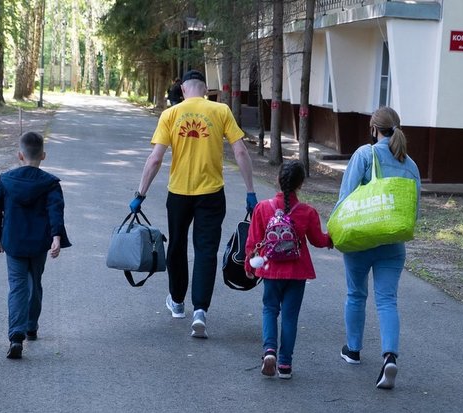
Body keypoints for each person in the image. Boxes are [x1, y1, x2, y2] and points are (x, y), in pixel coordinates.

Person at [129, 69, 257, 339]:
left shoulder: (171, 114)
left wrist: (140, 194)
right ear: (205, 89)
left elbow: (155, 159)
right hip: (212, 194)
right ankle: (200, 312)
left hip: (178, 194)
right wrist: (250, 191)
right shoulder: (221, 111)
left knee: (176, 246)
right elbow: (241, 151)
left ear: (183, 89)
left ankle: (177, 303)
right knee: (206, 251)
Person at [336, 106, 421, 389]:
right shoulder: (410, 165)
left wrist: (335, 229)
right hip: (393, 243)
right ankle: (389, 357)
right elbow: (414, 210)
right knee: (387, 300)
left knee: (356, 294)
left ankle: (353, 350)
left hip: (361, 238)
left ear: (373, 129)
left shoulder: (364, 154)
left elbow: (346, 197)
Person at [244, 160, 332, 379]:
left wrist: (249, 264)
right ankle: (285, 364)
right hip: (297, 271)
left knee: (270, 309)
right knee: (290, 317)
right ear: (300, 184)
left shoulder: (263, 208)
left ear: (278, 180)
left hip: (270, 269)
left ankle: (269, 351)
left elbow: (253, 241)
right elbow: (317, 240)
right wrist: (331, 239)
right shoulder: (307, 212)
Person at [0, 131, 71, 359]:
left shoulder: (6, 180)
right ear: (43, 155)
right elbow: (56, 211)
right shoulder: (50, 183)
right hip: (39, 244)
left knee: (18, 286)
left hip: (13, 242)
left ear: (20, 155)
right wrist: (56, 237)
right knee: (35, 282)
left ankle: (16, 336)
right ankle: (31, 327)